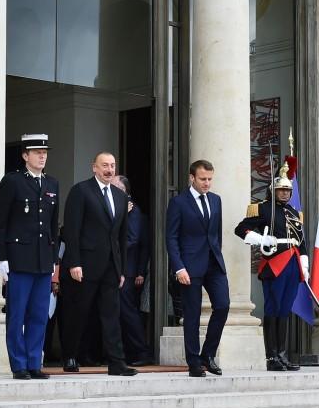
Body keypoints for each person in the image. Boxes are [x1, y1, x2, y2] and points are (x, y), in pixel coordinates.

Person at [61, 152, 137, 376]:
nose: (109, 169)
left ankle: (116, 363)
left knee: (111, 315)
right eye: (104, 165)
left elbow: (121, 236)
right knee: (78, 312)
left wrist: (121, 268)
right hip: (84, 265)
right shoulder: (81, 191)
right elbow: (71, 230)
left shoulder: (120, 197)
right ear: (94, 167)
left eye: (112, 165)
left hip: (111, 267)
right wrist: (74, 262)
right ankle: (70, 356)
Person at [0, 133, 60, 380]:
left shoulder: (52, 184)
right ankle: (18, 364)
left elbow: (53, 225)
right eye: (37, 152)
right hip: (19, 258)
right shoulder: (13, 182)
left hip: (43, 259)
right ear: (25, 156)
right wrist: (1, 256)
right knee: (17, 314)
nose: (42, 156)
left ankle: (34, 362)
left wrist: (54, 259)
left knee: (39, 315)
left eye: (45, 152)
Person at [235, 162, 307, 371]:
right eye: (281, 190)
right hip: (274, 262)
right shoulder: (263, 209)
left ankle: (282, 355)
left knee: (285, 309)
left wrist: (304, 262)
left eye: (287, 190)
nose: (284, 194)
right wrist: (260, 240)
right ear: (273, 190)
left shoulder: (294, 212)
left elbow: (301, 240)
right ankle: (271, 357)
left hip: (293, 263)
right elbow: (241, 229)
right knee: (273, 307)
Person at [165, 159, 229, 377]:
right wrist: (178, 267)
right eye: (203, 179)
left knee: (223, 305)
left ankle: (207, 355)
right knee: (192, 315)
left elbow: (216, 234)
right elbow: (171, 238)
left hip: (214, 264)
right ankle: (194, 362)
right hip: (189, 266)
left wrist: (217, 255)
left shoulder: (216, 200)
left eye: (210, 179)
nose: (207, 183)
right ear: (192, 178)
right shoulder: (179, 202)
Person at [112, 175, 152, 366]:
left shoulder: (132, 210)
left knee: (127, 311)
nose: (112, 189)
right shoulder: (117, 207)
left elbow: (134, 239)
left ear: (126, 191)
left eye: (117, 187)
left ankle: (141, 351)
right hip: (117, 268)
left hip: (127, 269)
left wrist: (139, 271)